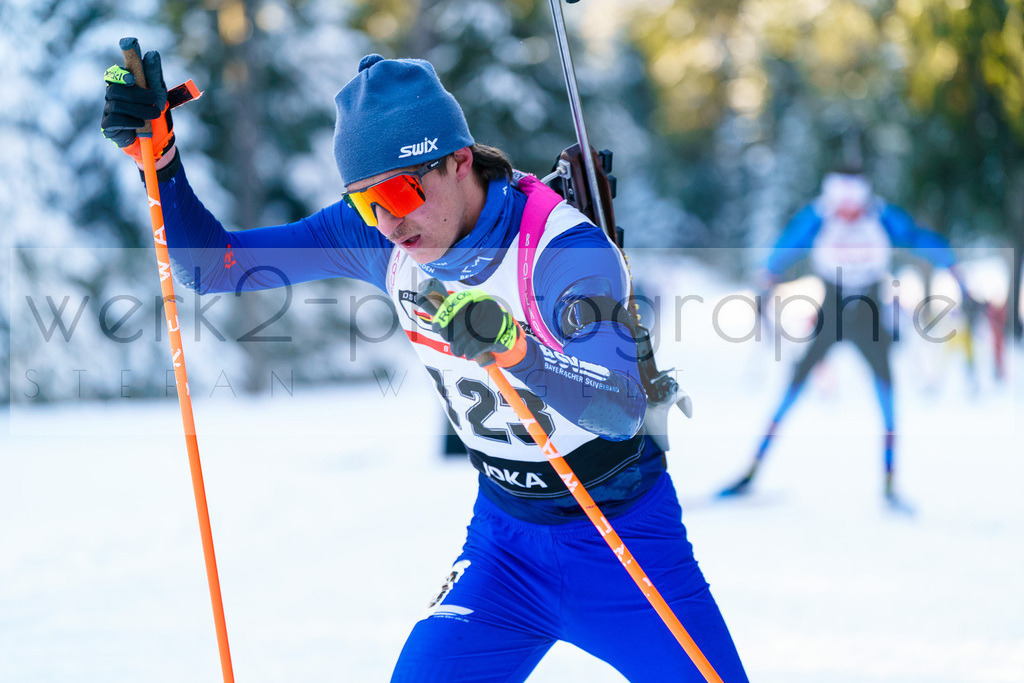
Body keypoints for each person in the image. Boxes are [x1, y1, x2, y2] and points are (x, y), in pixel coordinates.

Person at [103, 52, 748, 681]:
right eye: (365, 202)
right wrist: (162, 163)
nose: (387, 223)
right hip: (505, 552)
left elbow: (619, 407)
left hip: (623, 540)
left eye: (397, 192)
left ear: (459, 161)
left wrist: (516, 347)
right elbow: (213, 267)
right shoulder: (379, 237)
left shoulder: (562, 252)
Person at [719, 167, 967, 508]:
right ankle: (751, 470)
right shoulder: (820, 215)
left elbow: (916, 236)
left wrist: (950, 263)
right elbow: (791, 242)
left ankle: (890, 482)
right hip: (831, 308)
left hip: (869, 310)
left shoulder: (880, 215)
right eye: (840, 204)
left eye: (852, 204)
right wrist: (769, 271)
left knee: (887, 392)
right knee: (793, 386)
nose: (846, 212)